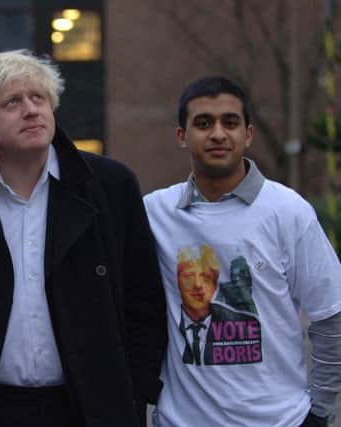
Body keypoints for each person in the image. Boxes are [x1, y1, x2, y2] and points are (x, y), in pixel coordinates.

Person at [0, 49, 168, 427]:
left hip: (89, 409)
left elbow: (144, 302)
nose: (30, 110)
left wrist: (138, 394)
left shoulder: (111, 188)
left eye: (39, 98)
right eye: (12, 102)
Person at [144, 76, 341, 427]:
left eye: (230, 122)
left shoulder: (288, 211)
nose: (218, 133)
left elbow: (331, 317)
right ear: (181, 136)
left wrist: (320, 412)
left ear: (248, 134)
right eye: (203, 123)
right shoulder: (154, 213)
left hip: (280, 421)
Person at [176, 244, 260, 366]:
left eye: (206, 278)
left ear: (215, 285)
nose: (198, 285)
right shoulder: (167, 321)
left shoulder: (246, 322)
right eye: (189, 276)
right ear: (177, 280)